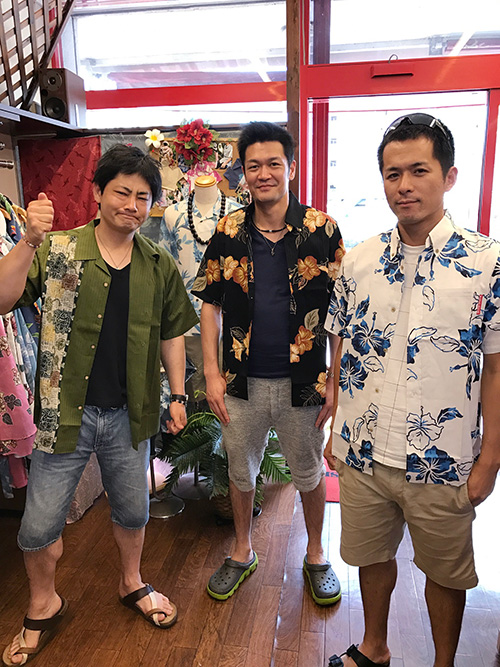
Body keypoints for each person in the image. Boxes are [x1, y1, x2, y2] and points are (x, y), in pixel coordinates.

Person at [0, 144, 198, 666]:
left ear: (151, 203)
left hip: (131, 413)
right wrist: (28, 241)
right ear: (97, 193)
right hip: (64, 412)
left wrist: (178, 394)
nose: (131, 205)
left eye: (143, 197)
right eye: (122, 192)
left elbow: (172, 333)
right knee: (38, 526)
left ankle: (131, 581)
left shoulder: (157, 263)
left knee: (133, 510)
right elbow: (2, 298)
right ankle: (43, 603)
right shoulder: (58, 248)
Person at [324, 114, 500, 667]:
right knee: (370, 556)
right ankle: (374, 648)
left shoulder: (487, 263)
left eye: (419, 170)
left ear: (449, 176)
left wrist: (491, 458)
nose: (404, 185)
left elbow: (496, 368)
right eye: (392, 173)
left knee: (446, 572)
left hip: (444, 457)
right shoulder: (358, 260)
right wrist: (335, 428)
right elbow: (342, 347)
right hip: (363, 448)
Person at [192, 121, 345, 604]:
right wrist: (212, 374)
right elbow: (210, 303)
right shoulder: (228, 231)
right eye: (253, 165)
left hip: (305, 380)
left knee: (309, 473)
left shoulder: (322, 230)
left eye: (273, 164)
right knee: (241, 472)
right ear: (244, 172)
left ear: (291, 168)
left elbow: (341, 312)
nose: (263, 174)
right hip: (241, 382)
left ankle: (316, 553)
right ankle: (242, 550)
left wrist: (335, 380)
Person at [159, 173, 241, 409]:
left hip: (229, 328)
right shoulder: (172, 214)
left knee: (228, 407)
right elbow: (165, 272)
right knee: (187, 407)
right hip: (183, 327)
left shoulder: (238, 214)